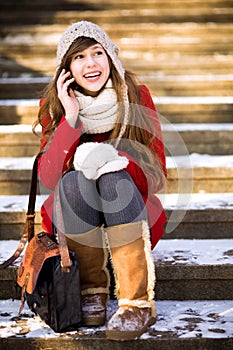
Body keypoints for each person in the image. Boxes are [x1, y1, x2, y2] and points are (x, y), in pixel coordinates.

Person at [33, 20, 167, 340]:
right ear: (66, 69)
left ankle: (136, 302)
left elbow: (157, 172)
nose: (90, 63)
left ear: (111, 58)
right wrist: (70, 118)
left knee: (112, 179)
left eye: (97, 53)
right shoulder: (55, 104)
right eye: (78, 57)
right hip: (77, 218)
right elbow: (49, 177)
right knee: (71, 181)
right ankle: (91, 290)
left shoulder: (136, 96)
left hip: (128, 212)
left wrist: (115, 162)